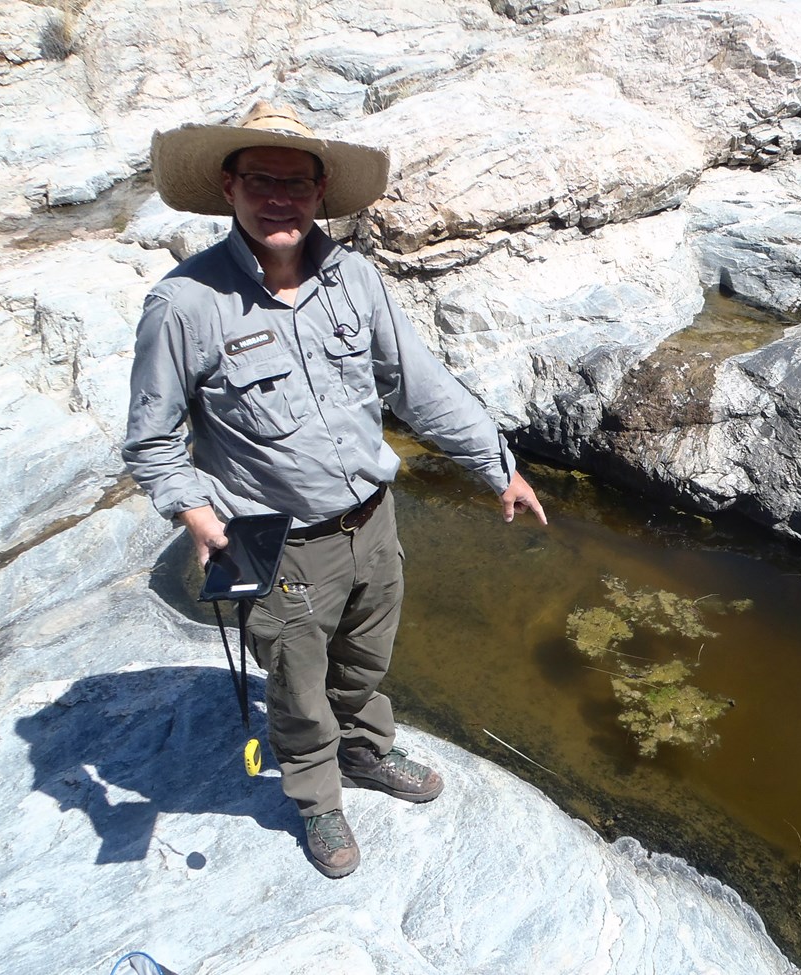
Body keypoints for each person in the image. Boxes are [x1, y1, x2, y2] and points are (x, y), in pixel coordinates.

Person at [122, 101, 547, 879]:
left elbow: (419, 387)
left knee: (364, 658)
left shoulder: (355, 278)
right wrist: (195, 514)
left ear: (320, 191)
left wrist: (497, 464)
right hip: (272, 540)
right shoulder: (184, 304)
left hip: (373, 522)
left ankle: (366, 751)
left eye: (296, 182)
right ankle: (317, 799)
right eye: (261, 180)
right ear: (229, 185)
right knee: (296, 684)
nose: (279, 199)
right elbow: (150, 443)